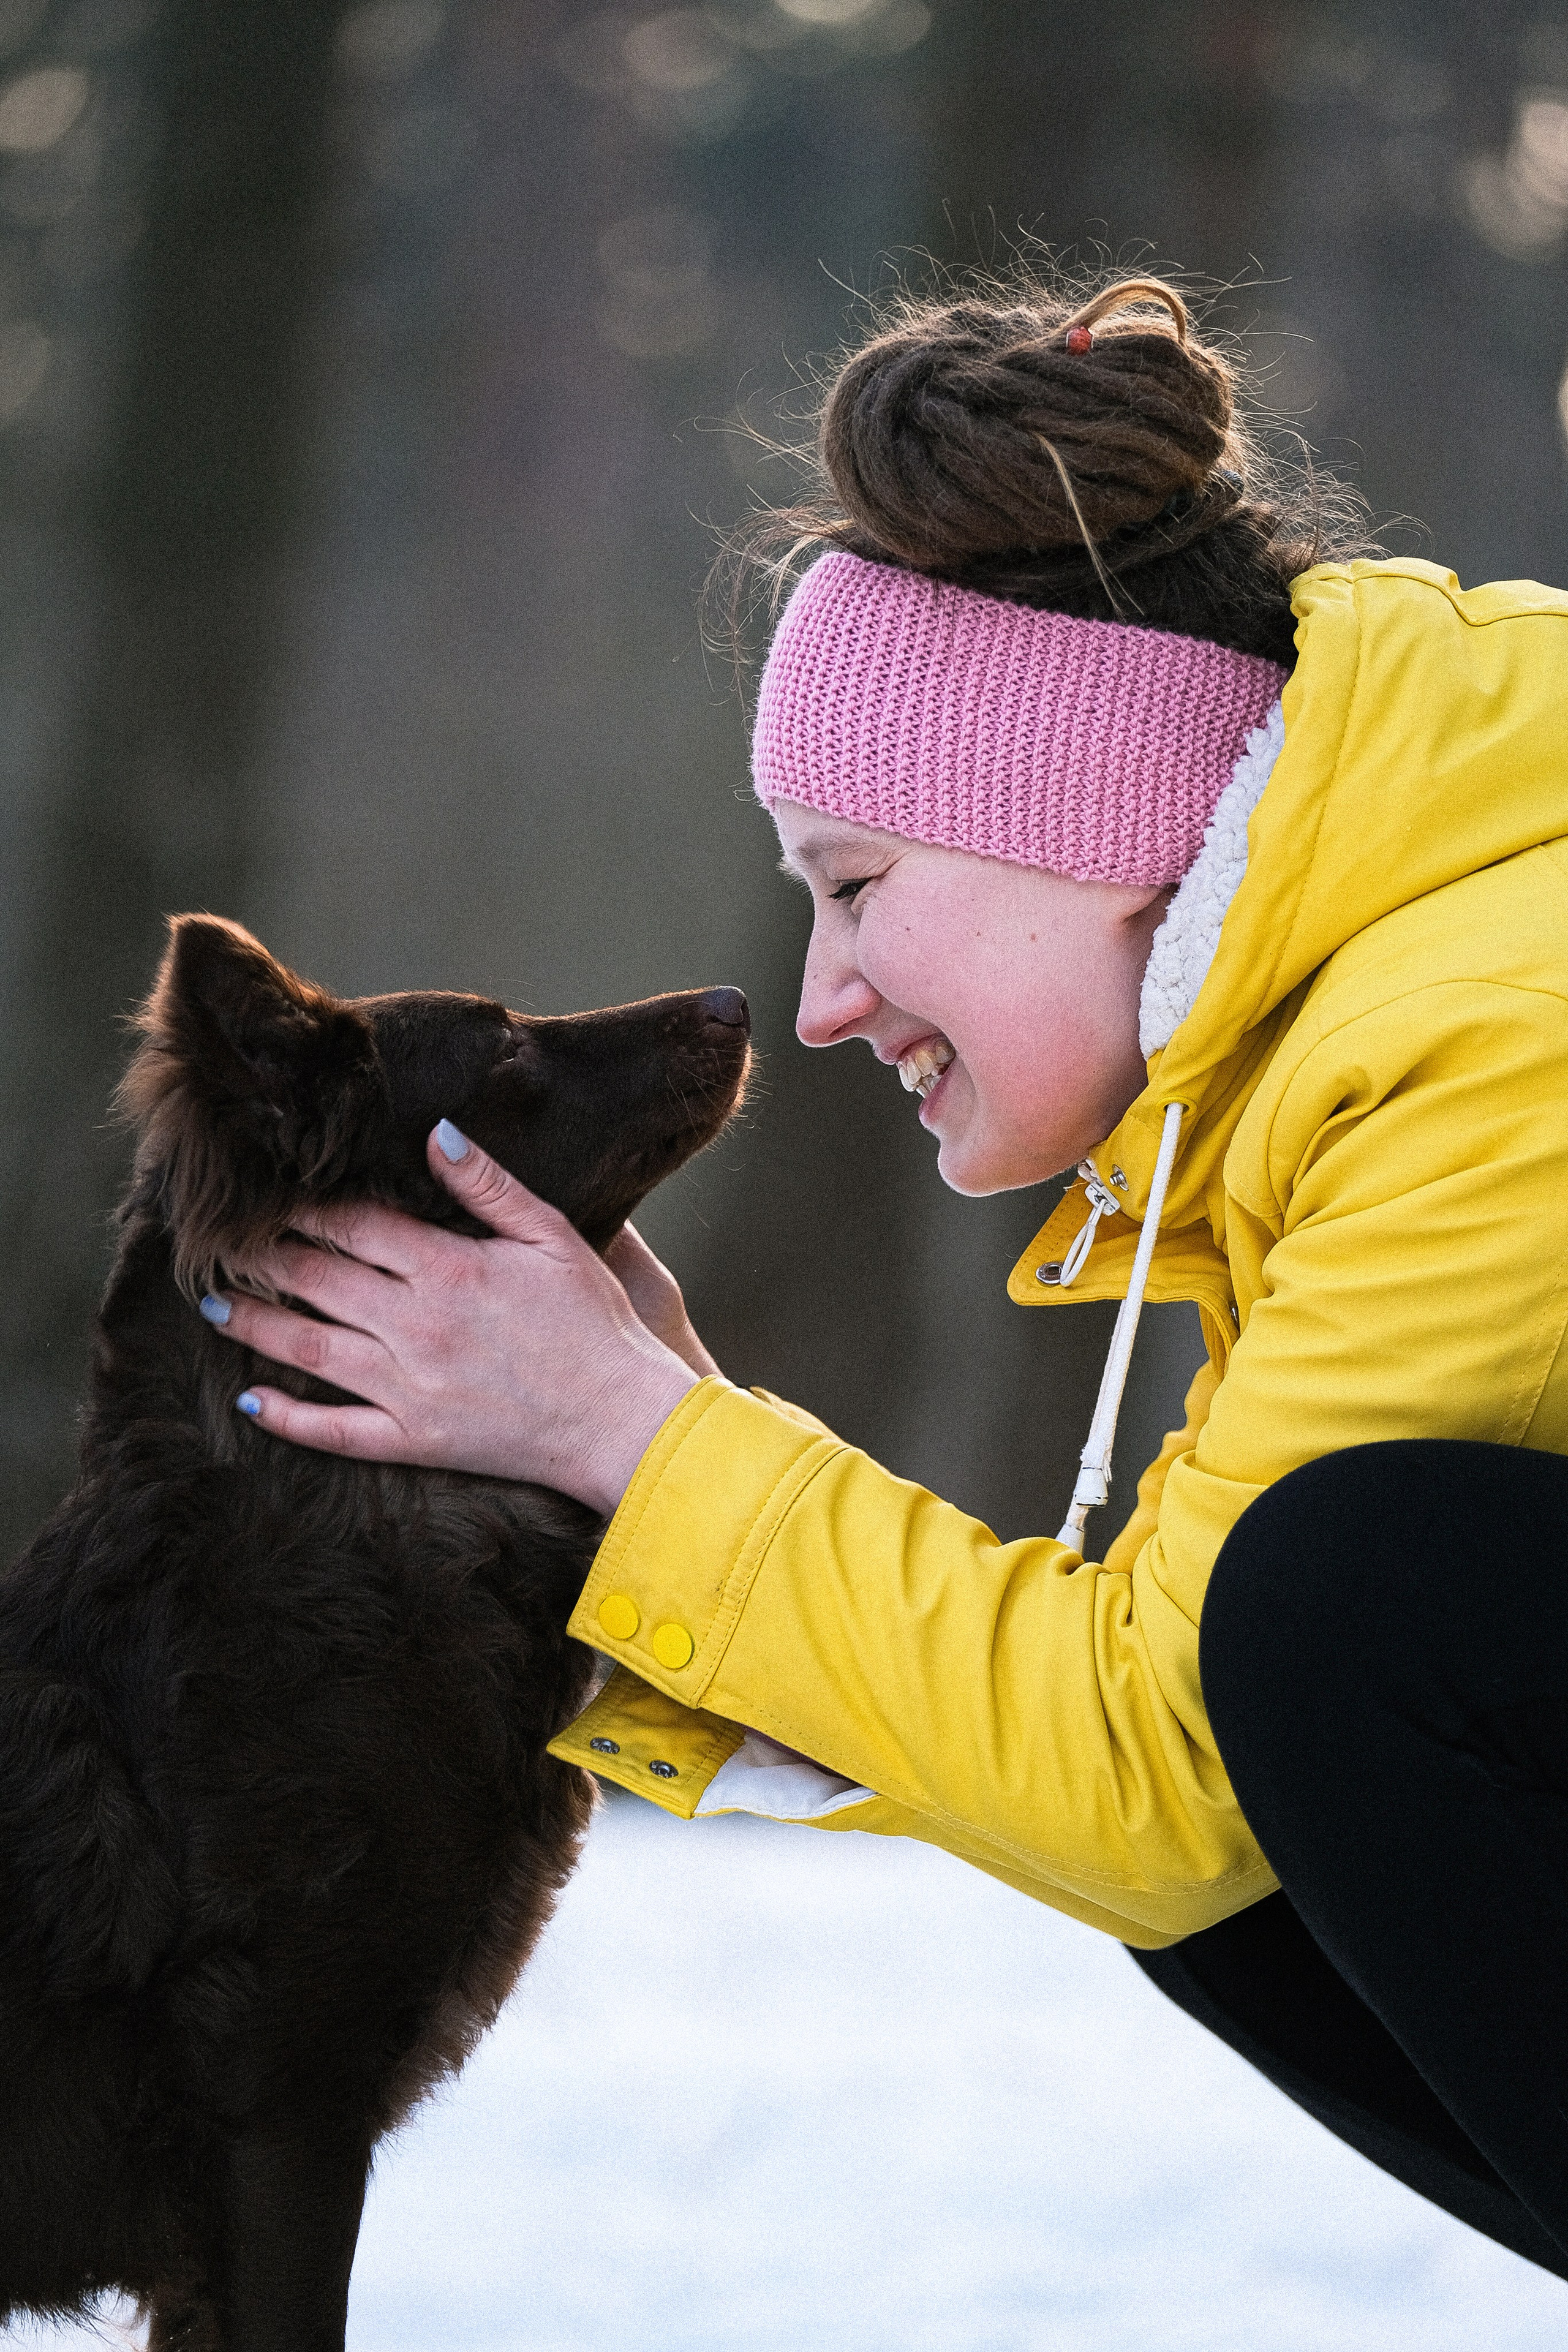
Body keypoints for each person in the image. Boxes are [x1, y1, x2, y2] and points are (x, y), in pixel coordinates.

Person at [199, 276, 1568, 2275]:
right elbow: (1157, 1784)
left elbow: (1161, 1777)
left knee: (1326, 1617)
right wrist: (658, 1468)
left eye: (856, 887)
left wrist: (640, 1441)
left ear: (1095, 819)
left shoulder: (1496, 1039)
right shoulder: (1368, 1014)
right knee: (1234, 1741)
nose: (825, 1000)